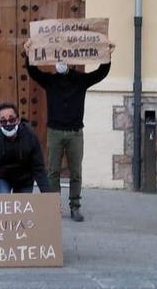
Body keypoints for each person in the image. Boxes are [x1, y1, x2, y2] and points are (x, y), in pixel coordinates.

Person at [22, 40, 114, 221]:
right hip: (55, 131)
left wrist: (107, 55)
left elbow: (101, 73)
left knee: (76, 171)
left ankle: (75, 206)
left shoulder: (81, 79)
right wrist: (27, 53)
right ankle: (53, 207)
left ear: (70, 61)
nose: (61, 62)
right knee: (53, 171)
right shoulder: (50, 80)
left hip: (75, 132)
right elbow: (33, 71)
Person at [0, 103, 52, 195]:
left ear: (18, 120)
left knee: (22, 205)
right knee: (5, 200)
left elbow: (39, 169)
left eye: (12, 120)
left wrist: (49, 197)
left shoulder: (30, 137)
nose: (8, 123)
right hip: (1, 177)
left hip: (24, 179)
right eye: (3, 121)